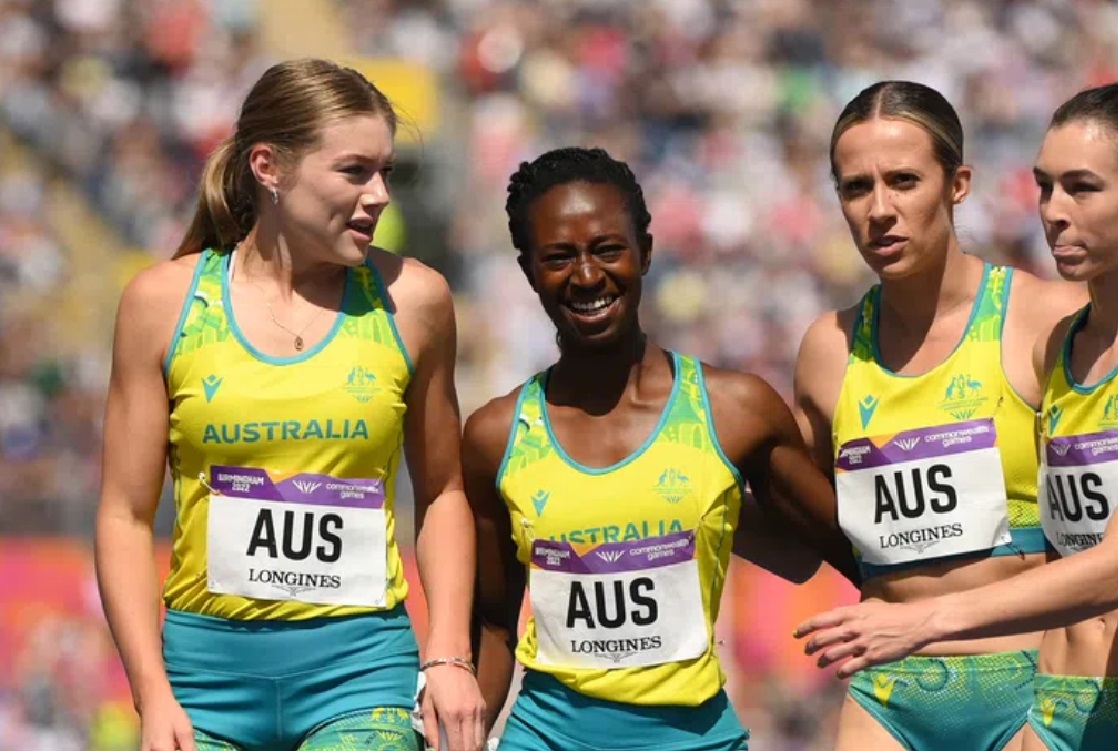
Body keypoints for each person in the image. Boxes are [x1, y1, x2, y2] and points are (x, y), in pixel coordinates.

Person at [796, 81, 1118, 751]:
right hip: (1056, 711)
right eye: (1045, 187)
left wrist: (926, 618)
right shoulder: (1063, 349)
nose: (1052, 211)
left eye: (1081, 188)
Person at [94, 58, 484, 751]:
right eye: (355, 171)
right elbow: (125, 515)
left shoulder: (415, 301)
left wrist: (449, 656)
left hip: (361, 675)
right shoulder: (160, 305)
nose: (380, 195)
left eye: (387, 171)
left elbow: (445, 489)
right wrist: (152, 695)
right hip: (202, 685)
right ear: (268, 166)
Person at [462, 147, 857, 751]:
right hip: (544, 737)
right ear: (528, 269)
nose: (588, 276)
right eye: (559, 257)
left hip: (696, 740)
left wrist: (715, 510)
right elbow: (492, 624)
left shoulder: (735, 411)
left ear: (645, 250)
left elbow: (830, 552)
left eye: (608, 249)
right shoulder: (495, 436)